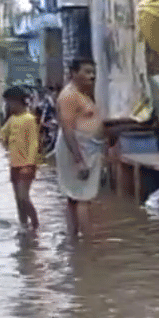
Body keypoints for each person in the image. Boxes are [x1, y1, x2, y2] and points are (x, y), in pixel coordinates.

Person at [56, 59, 103, 238]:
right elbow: (67, 128)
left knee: (75, 197)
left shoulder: (81, 94)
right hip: (78, 150)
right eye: (87, 72)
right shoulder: (69, 95)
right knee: (82, 198)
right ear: (74, 73)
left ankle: (75, 240)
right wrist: (79, 160)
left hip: (86, 148)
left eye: (93, 72)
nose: (92, 76)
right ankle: (87, 244)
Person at [0, 87, 40, 231]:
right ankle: (23, 225)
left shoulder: (29, 119)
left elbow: (34, 144)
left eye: (9, 103)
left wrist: (29, 164)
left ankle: (35, 223)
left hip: (26, 165)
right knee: (18, 199)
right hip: (14, 164)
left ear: (17, 102)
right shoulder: (12, 120)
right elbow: (3, 135)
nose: (8, 106)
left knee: (23, 197)